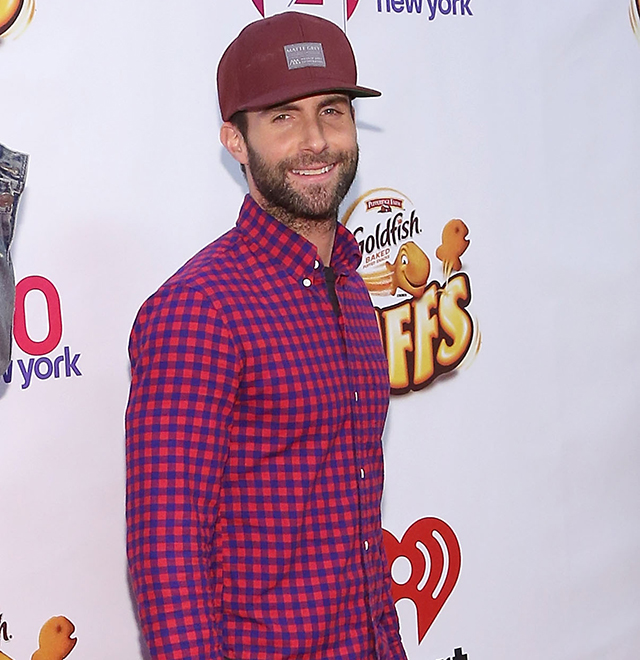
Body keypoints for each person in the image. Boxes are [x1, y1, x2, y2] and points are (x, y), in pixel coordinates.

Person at [125, 12, 407, 660]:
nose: (316, 140)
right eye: (283, 117)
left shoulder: (352, 287)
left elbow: (357, 533)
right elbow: (168, 555)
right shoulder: (199, 310)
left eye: (332, 110)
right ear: (236, 139)